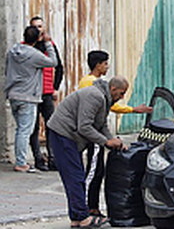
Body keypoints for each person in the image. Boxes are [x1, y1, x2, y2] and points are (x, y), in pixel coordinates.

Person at [47, 76, 130, 228]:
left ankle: (77, 218)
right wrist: (105, 141)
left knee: (76, 176)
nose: (122, 97)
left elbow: (101, 125)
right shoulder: (95, 96)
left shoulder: (104, 99)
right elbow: (84, 126)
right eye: (121, 93)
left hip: (69, 136)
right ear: (113, 89)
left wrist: (114, 141)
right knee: (75, 176)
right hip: (63, 134)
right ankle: (82, 217)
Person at [78, 50, 151, 218]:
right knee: (93, 171)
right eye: (105, 63)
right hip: (93, 133)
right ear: (98, 65)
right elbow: (107, 107)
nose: (107, 66)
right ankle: (88, 208)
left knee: (97, 170)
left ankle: (92, 207)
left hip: (97, 132)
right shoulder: (91, 83)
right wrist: (132, 110)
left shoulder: (92, 82)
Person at [4, 25, 58, 173]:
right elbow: (53, 62)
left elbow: (6, 70)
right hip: (28, 96)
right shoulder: (34, 55)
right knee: (24, 130)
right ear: (37, 39)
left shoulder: (12, 52)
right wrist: (48, 43)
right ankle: (21, 162)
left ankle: (20, 159)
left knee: (20, 129)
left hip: (13, 94)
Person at [29, 16, 64, 171]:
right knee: (33, 128)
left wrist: (55, 87)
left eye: (40, 26)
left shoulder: (50, 46)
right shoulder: (28, 47)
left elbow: (59, 67)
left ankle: (53, 158)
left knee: (51, 126)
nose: (39, 29)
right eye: (35, 27)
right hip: (32, 92)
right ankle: (38, 159)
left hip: (47, 92)